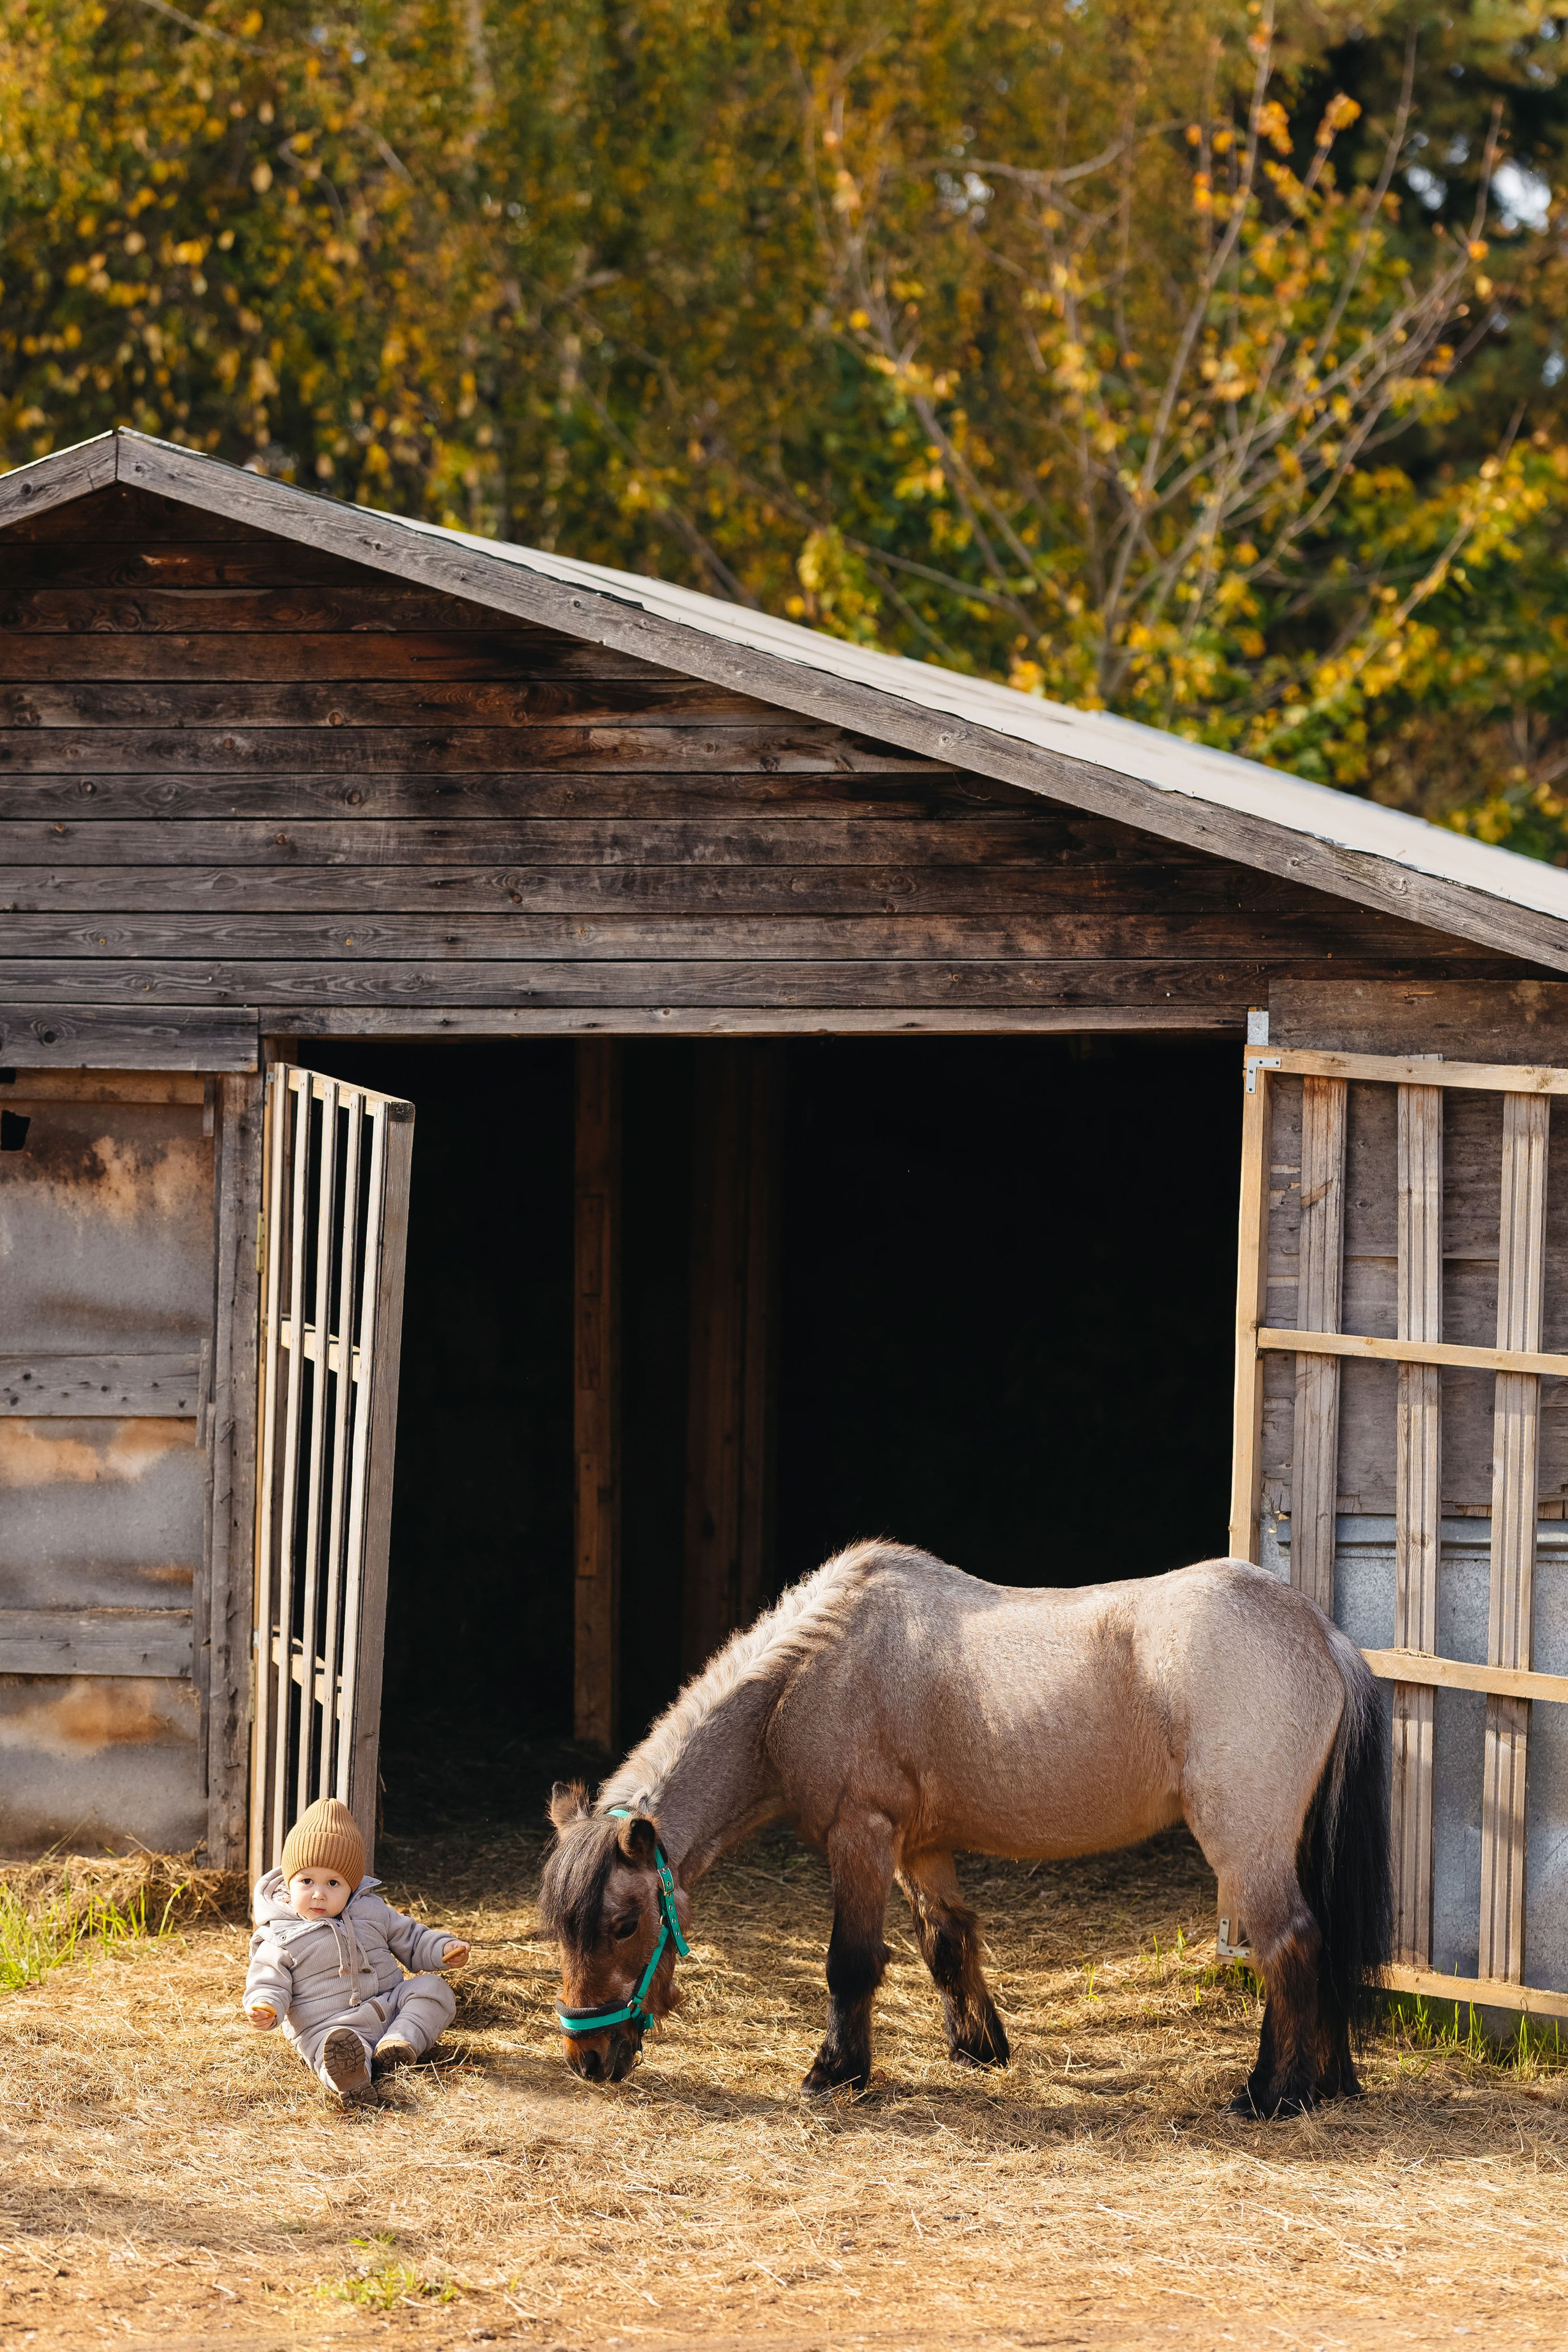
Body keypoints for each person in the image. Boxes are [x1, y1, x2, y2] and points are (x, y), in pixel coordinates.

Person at [243, 1796, 470, 2105]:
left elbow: (411, 1937)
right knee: (330, 2051)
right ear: (288, 1882)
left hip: (390, 2006)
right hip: (330, 2028)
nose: (319, 1893)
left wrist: (442, 1948)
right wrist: (265, 2006)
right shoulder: (279, 1936)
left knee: (434, 1989)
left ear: (352, 1885)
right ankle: (352, 2078)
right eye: (307, 1881)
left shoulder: (372, 1910)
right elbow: (268, 1981)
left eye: (334, 1883)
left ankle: (400, 2042)